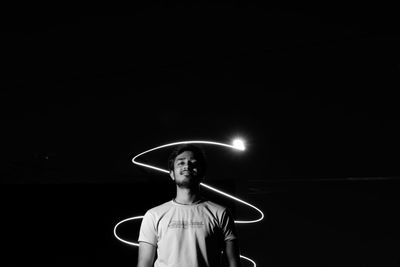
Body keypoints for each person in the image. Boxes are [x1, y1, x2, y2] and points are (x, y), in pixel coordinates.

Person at [137, 144, 241, 267]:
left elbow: (234, 263)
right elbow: (144, 264)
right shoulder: (153, 215)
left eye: (193, 163)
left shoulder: (221, 213)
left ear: (202, 174)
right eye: (181, 163)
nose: (187, 166)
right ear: (172, 174)